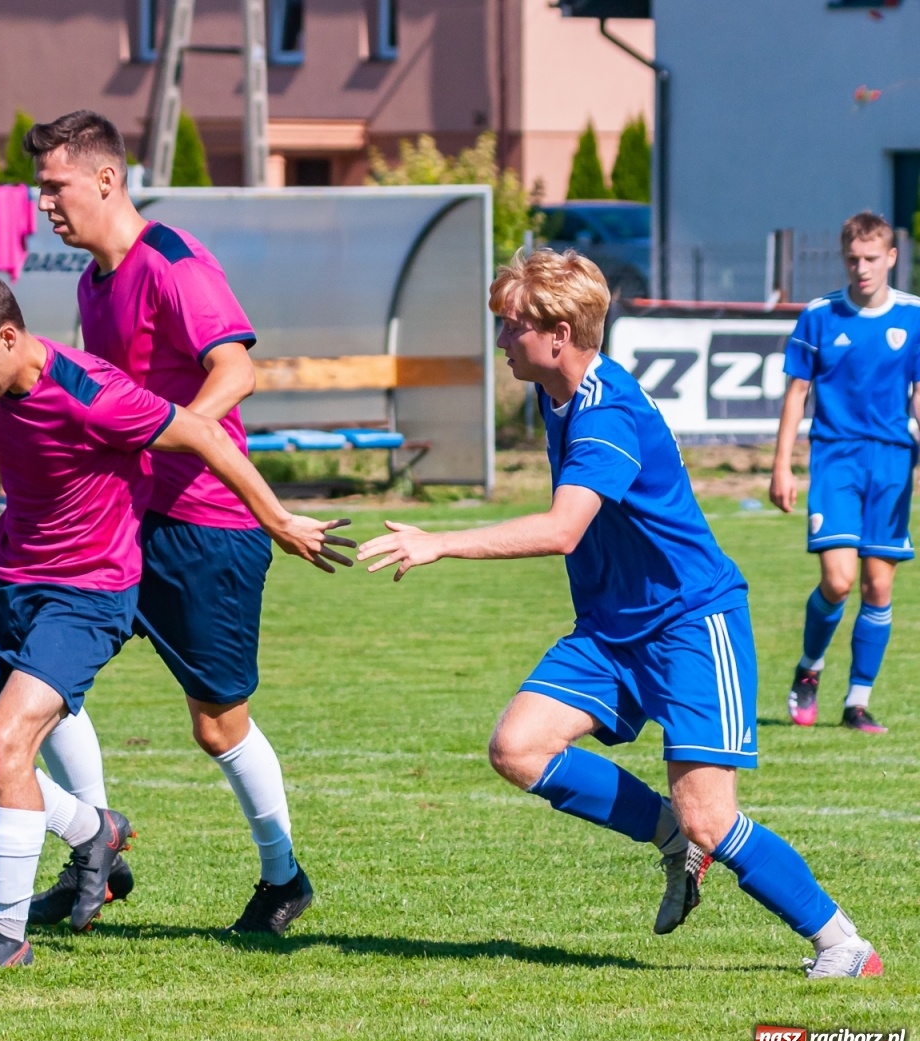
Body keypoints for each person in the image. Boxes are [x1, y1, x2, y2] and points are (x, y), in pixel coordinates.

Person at [357, 248, 882, 979]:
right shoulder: (554, 390)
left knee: (714, 818)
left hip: (691, 623)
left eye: (511, 327)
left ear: (559, 334)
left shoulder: (607, 417)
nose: (502, 339)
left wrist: (441, 541)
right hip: (612, 626)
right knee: (519, 747)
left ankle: (842, 943)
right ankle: (670, 837)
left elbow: (561, 528)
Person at [0, 270, 352, 967]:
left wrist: (277, 521)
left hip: (85, 593)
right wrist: (2, 462)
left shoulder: (95, 394)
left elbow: (206, 435)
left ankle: (5, 937)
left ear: (7, 337)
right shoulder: (1, 378)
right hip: (7, 581)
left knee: (7, 737)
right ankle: (93, 829)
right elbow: (39, 435)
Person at [0, 109, 314, 935]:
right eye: (39, 189)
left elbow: (237, 370)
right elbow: (95, 404)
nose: (46, 204)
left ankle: (284, 878)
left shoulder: (173, 263)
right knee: (42, 671)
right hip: (123, 517)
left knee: (217, 723)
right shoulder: (94, 282)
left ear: (106, 180)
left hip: (205, 524)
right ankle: (98, 853)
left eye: (55, 188)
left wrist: (173, 438)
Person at [769, 211, 920, 735]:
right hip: (835, 457)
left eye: (872, 259)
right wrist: (782, 465)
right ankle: (809, 668)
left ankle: (857, 702)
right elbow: (796, 393)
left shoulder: (914, 317)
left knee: (878, 585)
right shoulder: (819, 315)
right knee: (838, 579)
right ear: (844, 258)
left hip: (893, 460)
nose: (862, 269)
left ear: (891, 258)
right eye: (853, 259)